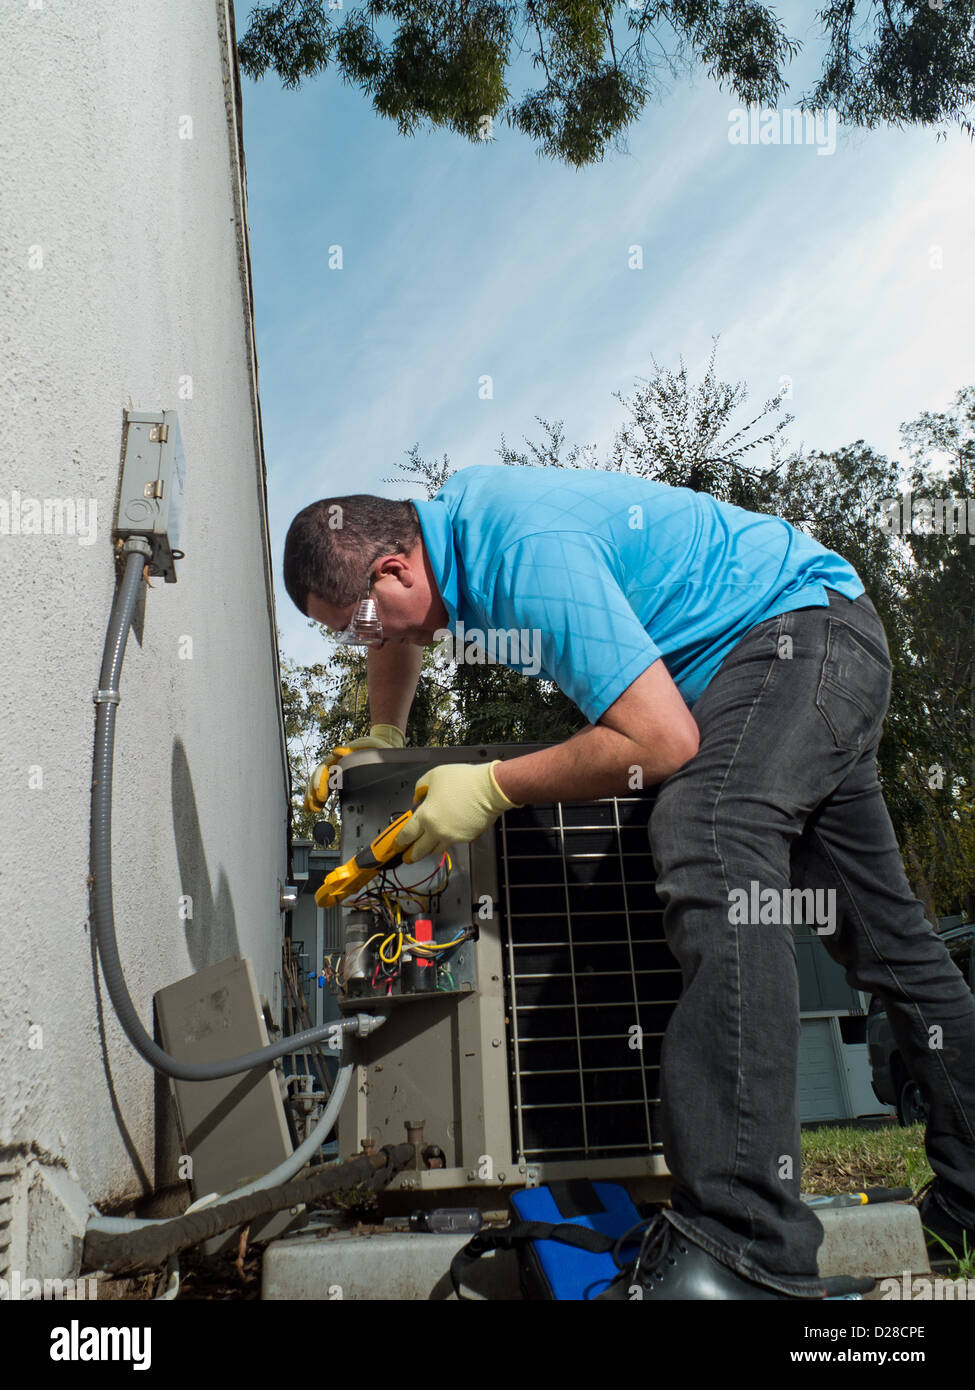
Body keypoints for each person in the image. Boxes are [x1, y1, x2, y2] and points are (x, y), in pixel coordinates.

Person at [283, 462, 975, 1300]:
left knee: (705, 836)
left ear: (395, 567)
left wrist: (495, 785)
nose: (366, 642)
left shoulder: (525, 553)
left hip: (792, 637)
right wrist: (382, 737)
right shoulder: (445, 534)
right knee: (887, 940)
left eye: (357, 623)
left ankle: (742, 1245)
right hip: (801, 649)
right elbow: (403, 634)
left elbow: (660, 744)